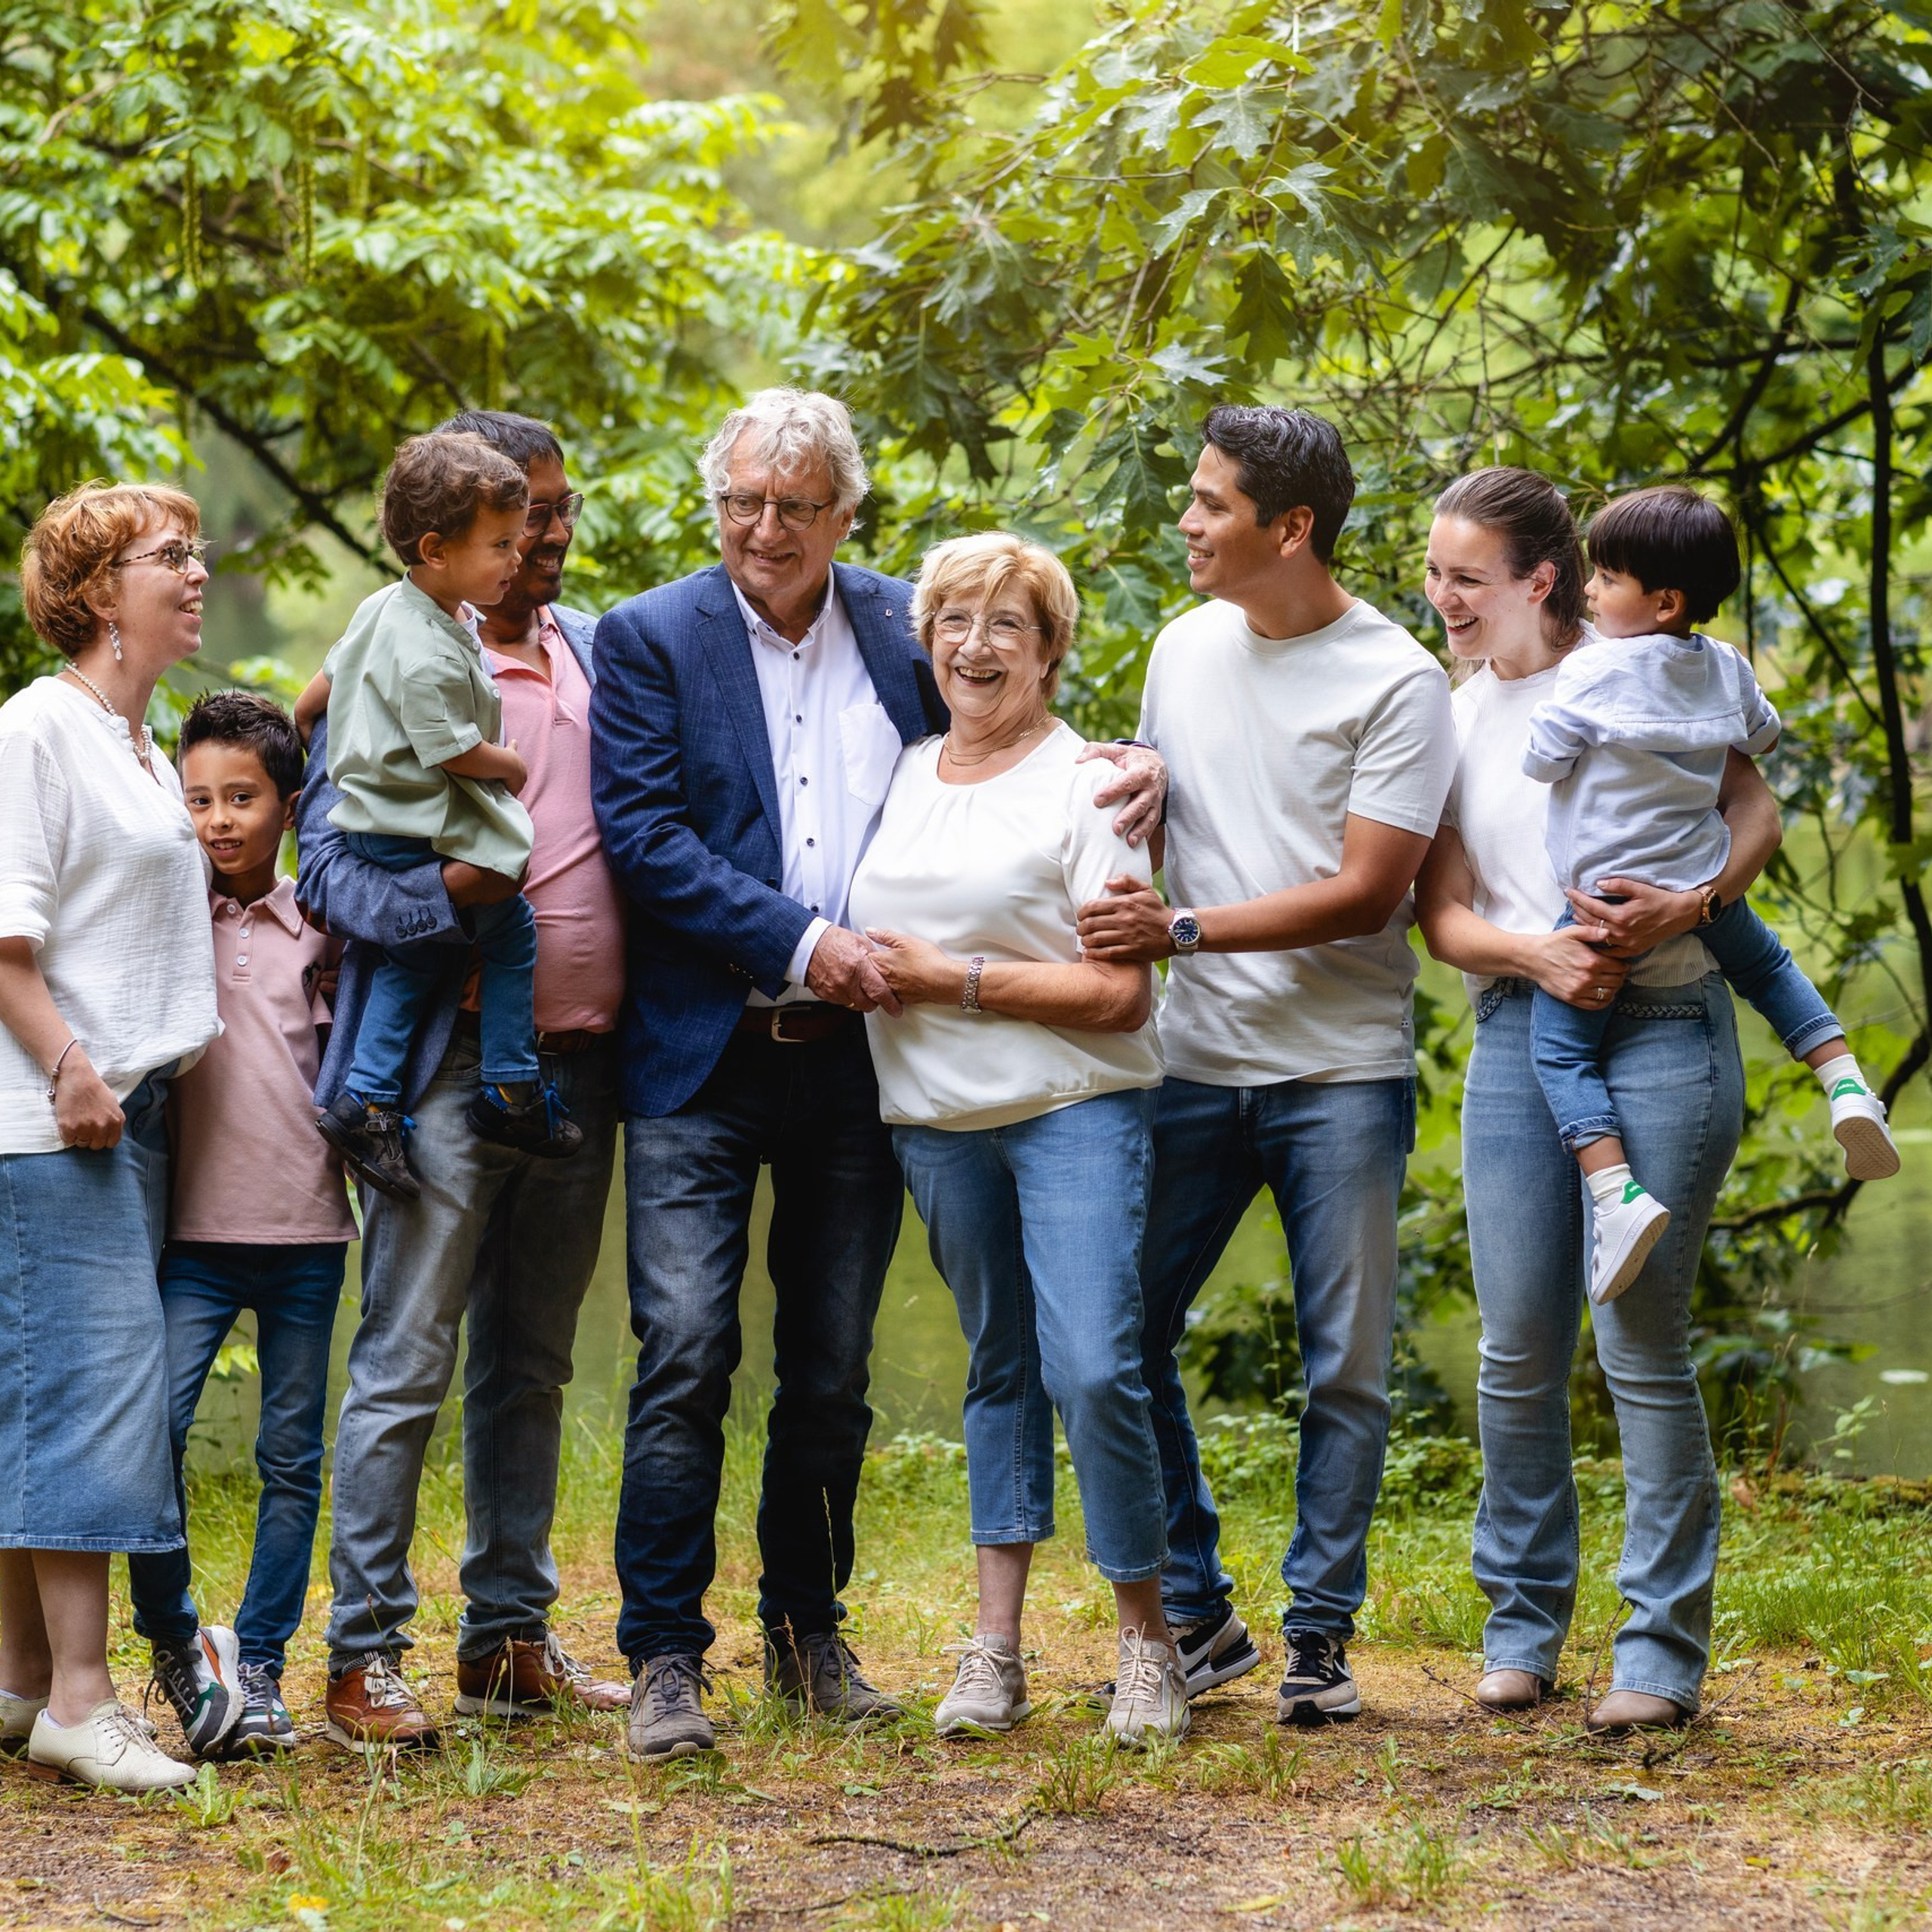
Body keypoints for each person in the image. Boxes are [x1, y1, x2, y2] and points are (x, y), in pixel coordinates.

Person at [590, 389, 1167, 1759]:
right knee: (683, 1352)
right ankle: (666, 1655)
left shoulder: (908, 622)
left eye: (796, 506)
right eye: (741, 502)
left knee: (833, 1365)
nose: (764, 529)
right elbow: (642, 837)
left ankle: (808, 1636)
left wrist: (1145, 767)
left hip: (861, 1064)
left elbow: (1018, 725)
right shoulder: (652, 636)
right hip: (703, 1051)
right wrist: (806, 940)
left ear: (848, 513)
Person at [1078, 405, 1456, 1727]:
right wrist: (1134, 785)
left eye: (1211, 503)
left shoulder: (1398, 679)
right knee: (1118, 1328)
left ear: (1288, 530)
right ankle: (1197, 1610)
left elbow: (1366, 894)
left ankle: (1319, 1637)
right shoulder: (1184, 647)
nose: (1187, 521)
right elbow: (1172, 797)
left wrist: (1177, 930)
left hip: (1340, 1071)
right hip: (1189, 1061)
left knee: (1344, 1363)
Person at [1414, 465, 1782, 1731]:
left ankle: (1659, 1655)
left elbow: (1753, 806)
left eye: (1467, 577)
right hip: (1527, 1028)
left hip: (1673, 1016)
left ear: (1544, 581)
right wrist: (1539, 957)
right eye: (1434, 573)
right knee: (1517, 1349)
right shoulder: (1451, 719)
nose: (1444, 598)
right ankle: (1523, 1628)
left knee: (1640, 1343)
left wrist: (1699, 904)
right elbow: (1444, 914)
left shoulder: (1653, 667)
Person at [299, 411, 629, 1749]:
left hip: (578, 1067)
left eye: (555, 511)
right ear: (460, 538)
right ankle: (361, 1656)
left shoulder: (596, 651)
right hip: (445, 1067)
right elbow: (323, 870)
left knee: (533, 1365)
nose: (546, 536)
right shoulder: (395, 661)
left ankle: (506, 1639)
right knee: (405, 1361)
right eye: (525, 516)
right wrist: (459, 902)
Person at [848, 533, 1181, 1746]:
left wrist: (954, 979)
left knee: (1094, 1366)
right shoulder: (901, 769)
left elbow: (1120, 997)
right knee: (998, 1368)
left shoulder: (1091, 784)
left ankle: (1150, 1644)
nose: (974, 646)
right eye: (954, 620)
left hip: (1073, 1108)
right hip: (936, 1122)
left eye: (1007, 626)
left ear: (1050, 653)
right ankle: (996, 1653)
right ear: (925, 636)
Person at [1523, 484, 1898, 1302]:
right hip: (1702, 883)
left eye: (1607, 578)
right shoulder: (1725, 665)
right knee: (1769, 971)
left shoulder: (1589, 672)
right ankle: (1843, 1084)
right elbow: (1762, 734)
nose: (1589, 588)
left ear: (1662, 601)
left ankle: (1612, 1190)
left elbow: (1542, 762)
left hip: (1603, 905)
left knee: (1557, 1048)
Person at [0, 482, 222, 1789]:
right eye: (169, 558)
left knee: (39, 1394)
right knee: (92, 1394)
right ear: (97, 594)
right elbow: (4, 939)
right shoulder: (41, 727)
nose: (195, 574)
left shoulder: (139, 743)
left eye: (197, 554)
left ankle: (24, 1681)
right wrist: (74, 1072)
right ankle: (88, 1701)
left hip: (120, 1114)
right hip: (55, 1117)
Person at [119, 693, 355, 1759]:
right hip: (194, 1246)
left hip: (308, 1235)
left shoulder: (327, 926)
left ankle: (260, 1663)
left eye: (243, 799)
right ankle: (176, 1639)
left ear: (290, 808)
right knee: (152, 1436)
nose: (218, 820)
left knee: (293, 1457)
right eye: (199, 798)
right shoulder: (168, 923)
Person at [297, 429, 582, 1198]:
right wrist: (510, 763)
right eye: (501, 542)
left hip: (392, 823)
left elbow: (310, 699)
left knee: (417, 956)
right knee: (511, 931)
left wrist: (313, 732)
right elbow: (453, 750)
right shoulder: (425, 647)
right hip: (413, 835)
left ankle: (365, 1098)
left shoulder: (386, 609)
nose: (519, 554)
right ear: (434, 548)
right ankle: (511, 1086)